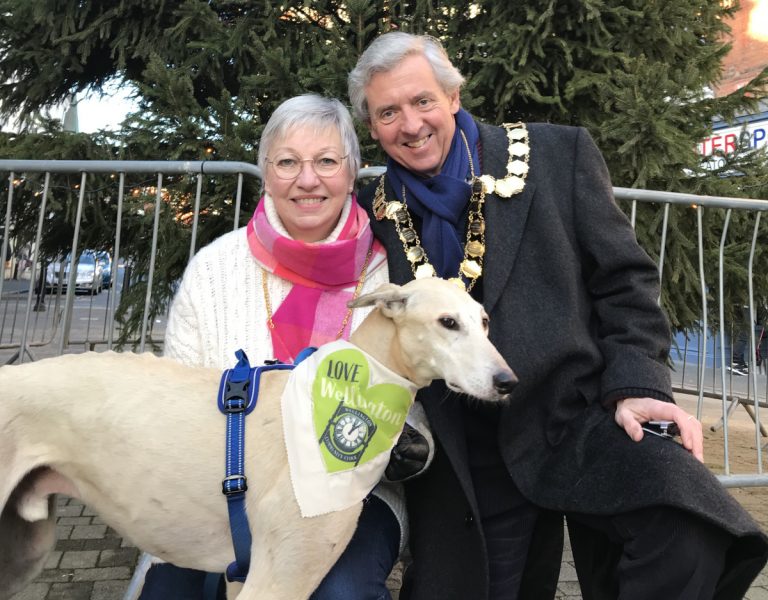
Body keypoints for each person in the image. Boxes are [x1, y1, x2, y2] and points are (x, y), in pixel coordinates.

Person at [348, 32, 768, 600]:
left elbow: (624, 280)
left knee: (685, 525)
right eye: (388, 112)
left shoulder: (554, 153)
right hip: (463, 448)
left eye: (422, 101)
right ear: (373, 128)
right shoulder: (370, 215)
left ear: (453, 96)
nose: (410, 124)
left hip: (576, 413)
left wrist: (639, 385)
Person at [139, 93, 423, 600]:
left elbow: (418, 410)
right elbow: (171, 404)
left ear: (353, 171)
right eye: (288, 162)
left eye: (327, 162)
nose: (307, 180)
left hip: (353, 493)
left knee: (341, 593)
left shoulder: (391, 276)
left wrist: (406, 443)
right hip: (221, 483)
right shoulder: (214, 268)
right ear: (266, 173)